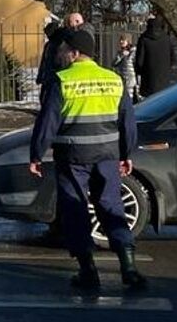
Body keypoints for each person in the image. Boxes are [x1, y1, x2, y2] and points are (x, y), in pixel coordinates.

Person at [29, 27, 146, 293]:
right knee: (111, 206)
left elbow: (48, 122)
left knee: (75, 208)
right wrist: (127, 153)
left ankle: (88, 271)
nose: (60, 54)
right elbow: (128, 121)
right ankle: (129, 267)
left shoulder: (62, 80)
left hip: (72, 156)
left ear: (74, 53)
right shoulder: (113, 79)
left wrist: (36, 154)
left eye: (63, 50)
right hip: (107, 155)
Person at [36, 12, 84, 95]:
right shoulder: (58, 42)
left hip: (56, 77)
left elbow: (45, 61)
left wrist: (41, 76)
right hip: (57, 77)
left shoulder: (58, 41)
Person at [135, 14, 177, 98]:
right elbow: (173, 57)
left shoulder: (144, 39)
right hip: (164, 77)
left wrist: (139, 72)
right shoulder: (166, 38)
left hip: (148, 78)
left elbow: (139, 61)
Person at [112, 34, 137, 101]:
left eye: (123, 40)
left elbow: (136, 64)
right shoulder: (120, 52)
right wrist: (121, 56)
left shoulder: (133, 51)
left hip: (131, 79)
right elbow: (113, 64)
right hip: (122, 79)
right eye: (120, 40)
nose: (121, 41)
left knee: (129, 98)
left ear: (128, 41)